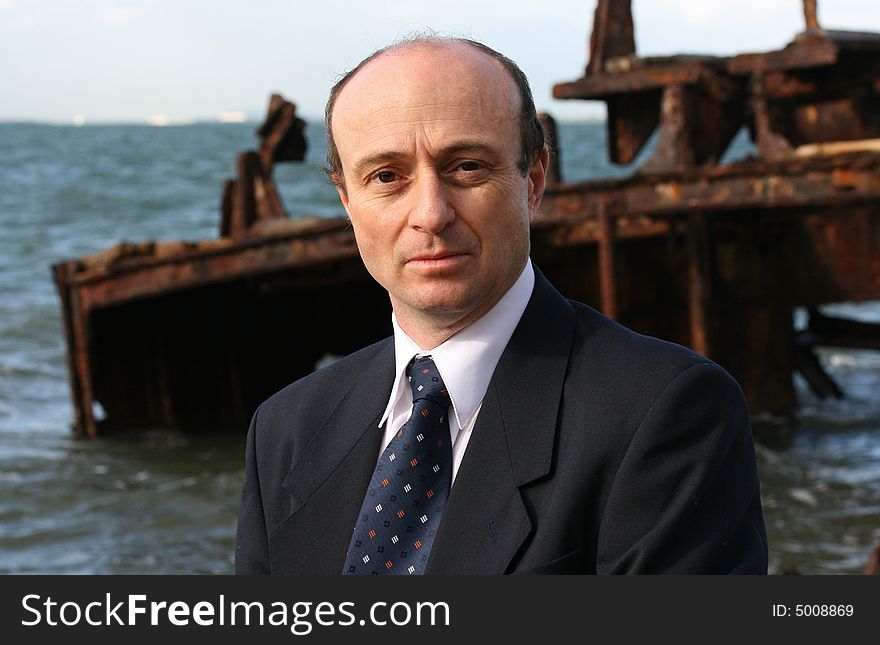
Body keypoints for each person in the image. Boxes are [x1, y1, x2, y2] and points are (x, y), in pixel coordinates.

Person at [234, 36, 768, 575]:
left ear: (534, 180)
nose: (431, 214)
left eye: (466, 167)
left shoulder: (668, 414)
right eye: (387, 177)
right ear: (348, 202)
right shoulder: (285, 429)